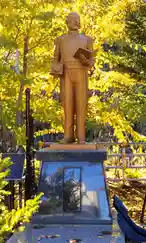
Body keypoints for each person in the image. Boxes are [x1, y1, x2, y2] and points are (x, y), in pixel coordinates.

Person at [51, 12, 94, 144]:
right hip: (66, 73)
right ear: (67, 22)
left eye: (77, 20)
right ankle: (68, 135)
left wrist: (85, 60)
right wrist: (56, 68)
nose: (75, 22)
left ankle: (81, 137)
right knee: (67, 104)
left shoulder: (87, 40)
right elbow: (55, 59)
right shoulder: (61, 40)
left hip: (81, 73)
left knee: (81, 104)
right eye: (72, 20)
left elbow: (91, 61)